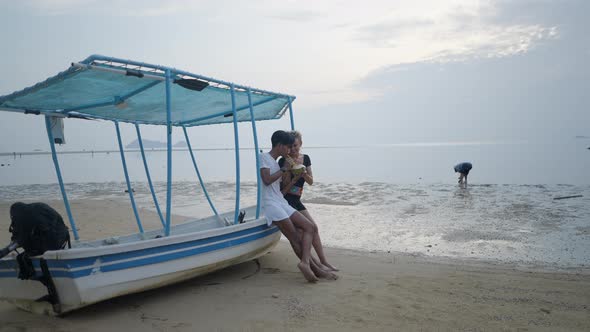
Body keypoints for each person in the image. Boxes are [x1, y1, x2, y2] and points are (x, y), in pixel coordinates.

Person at [259, 130, 337, 282]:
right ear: (280, 145)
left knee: (310, 227)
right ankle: (317, 270)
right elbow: (267, 180)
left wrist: (291, 172)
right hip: (271, 204)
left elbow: (285, 185)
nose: (289, 150)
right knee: (294, 237)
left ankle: (306, 263)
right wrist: (284, 169)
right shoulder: (264, 158)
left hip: (281, 201)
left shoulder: (276, 162)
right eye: (288, 147)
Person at [278, 131, 338, 271]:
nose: (293, 149)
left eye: (295, 146)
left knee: (314, 228)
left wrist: (303, 173)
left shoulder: (306, 159)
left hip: (297, 200)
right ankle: (313, 264)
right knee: (304, 231)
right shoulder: (284, 162)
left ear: (300, 144)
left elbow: (310, 181)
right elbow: (283, 190)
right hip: (286, 201)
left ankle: (324, 262)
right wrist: (291, 174)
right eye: (290, 146)